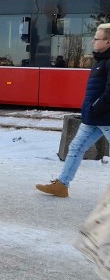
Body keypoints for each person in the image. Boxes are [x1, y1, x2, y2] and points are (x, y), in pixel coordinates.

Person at [36, 23, 110, 198]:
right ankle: (62, 185)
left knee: (76, 148)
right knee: (76, 148)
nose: (93, 41)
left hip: (105, 117)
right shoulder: (102, 61)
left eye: (97, 39)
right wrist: (90, 110)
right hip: (93, 118)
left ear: (108, 42)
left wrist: (95, 107)